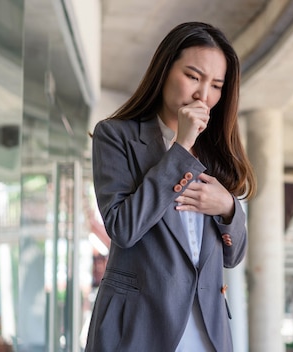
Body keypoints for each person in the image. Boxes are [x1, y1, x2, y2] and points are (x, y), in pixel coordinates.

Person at [85, 22, 257, 352]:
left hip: (207, 332)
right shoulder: (116, 136)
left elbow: (233, 256)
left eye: (216, 85)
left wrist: (228, 208)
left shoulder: (217, 153)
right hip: (137, 329)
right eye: (193, 76)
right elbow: (123, 228)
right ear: (165, 70)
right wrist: (181, 148)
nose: (203, 95)